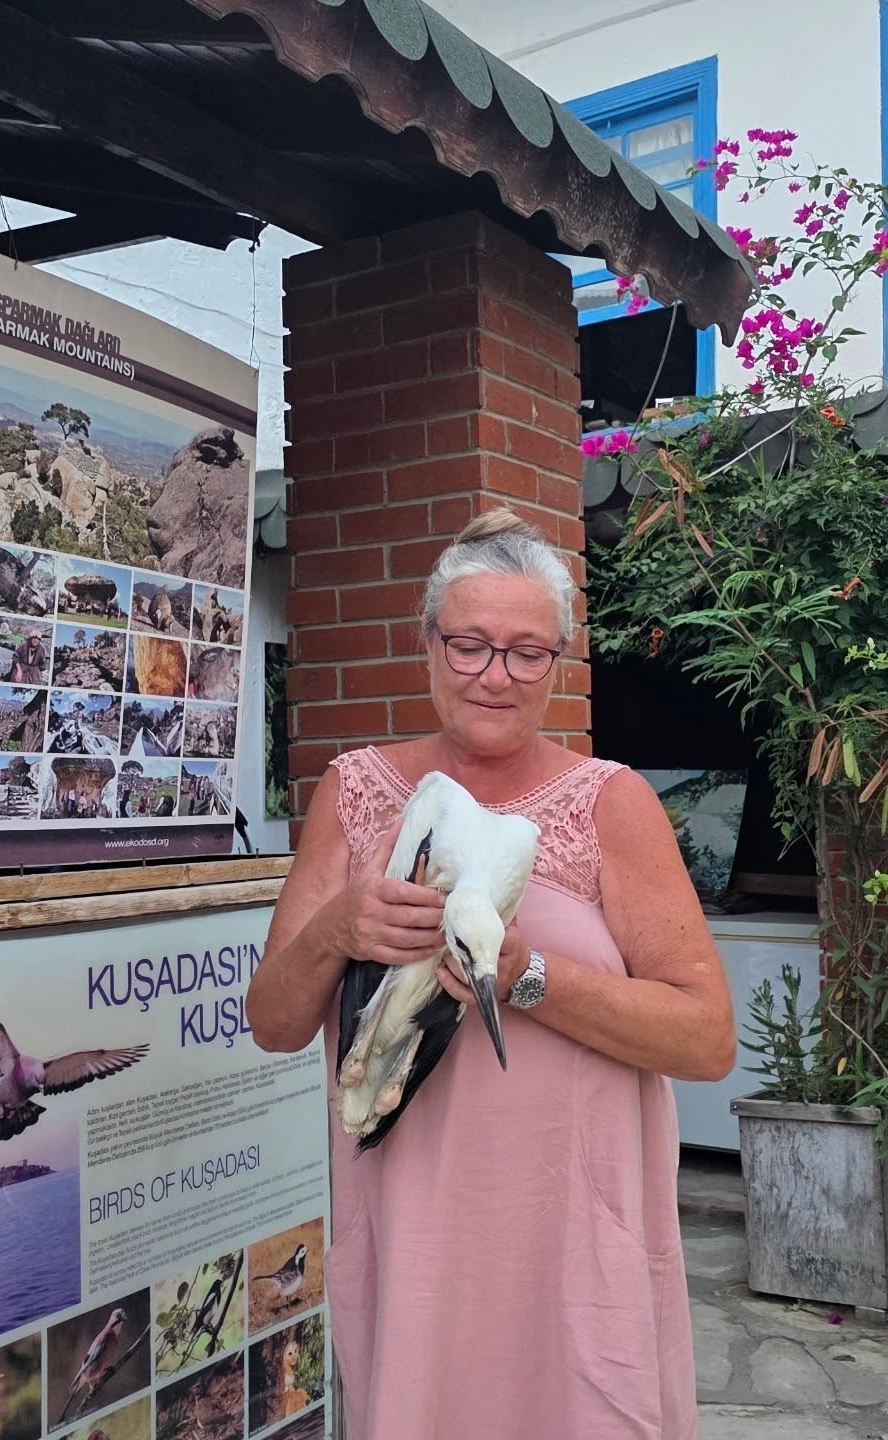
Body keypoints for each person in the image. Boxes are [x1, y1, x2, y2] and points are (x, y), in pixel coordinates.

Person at [247, 509, 735, 1440]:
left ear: (558, 663)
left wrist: (525, 974)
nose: (495, 676)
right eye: (470, 645)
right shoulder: (355, 794)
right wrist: (338, 926)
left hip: (572, 1232)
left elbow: (707, 1038)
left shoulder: (611, 804)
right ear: (428, 645)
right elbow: (273, 1020)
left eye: (525, 652)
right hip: (416, 1223)